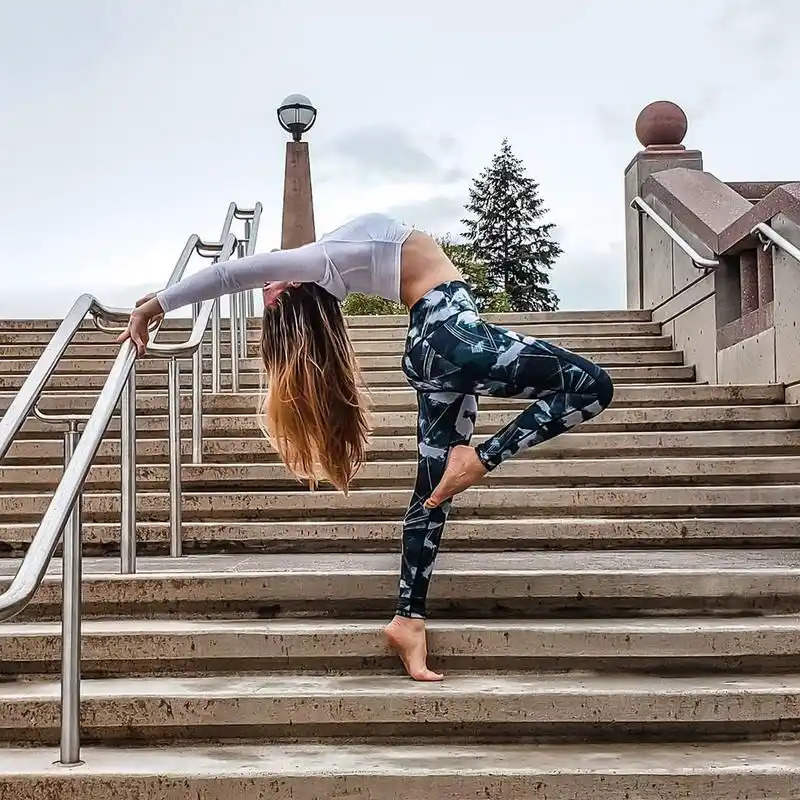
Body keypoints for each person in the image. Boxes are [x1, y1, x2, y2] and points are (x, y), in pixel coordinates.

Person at [120, 212, 614, 681]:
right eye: (271, 288)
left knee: (432, 495)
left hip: (429, 348)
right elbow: (231, 274)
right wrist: (153, 307)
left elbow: (234, 274)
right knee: (593, 385)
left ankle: (408, 619)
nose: (266, 284)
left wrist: (159, 301)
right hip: (450, 335)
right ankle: (480, 458)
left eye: (267, 291)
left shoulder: (328, 266)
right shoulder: (315, 261)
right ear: (293, 284)